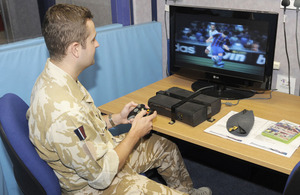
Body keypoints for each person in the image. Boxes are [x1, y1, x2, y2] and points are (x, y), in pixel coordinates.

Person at [26, 4, 212, 195]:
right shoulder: (64, 111)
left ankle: (187, 191)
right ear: (75, 49)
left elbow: (85, 130)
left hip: (101, 155)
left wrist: (116, 119)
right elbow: (101, 177)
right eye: (92, 40)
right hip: (94, 186)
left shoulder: (55, 77)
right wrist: (134, 134)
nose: (97, 44)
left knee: (165, 147)